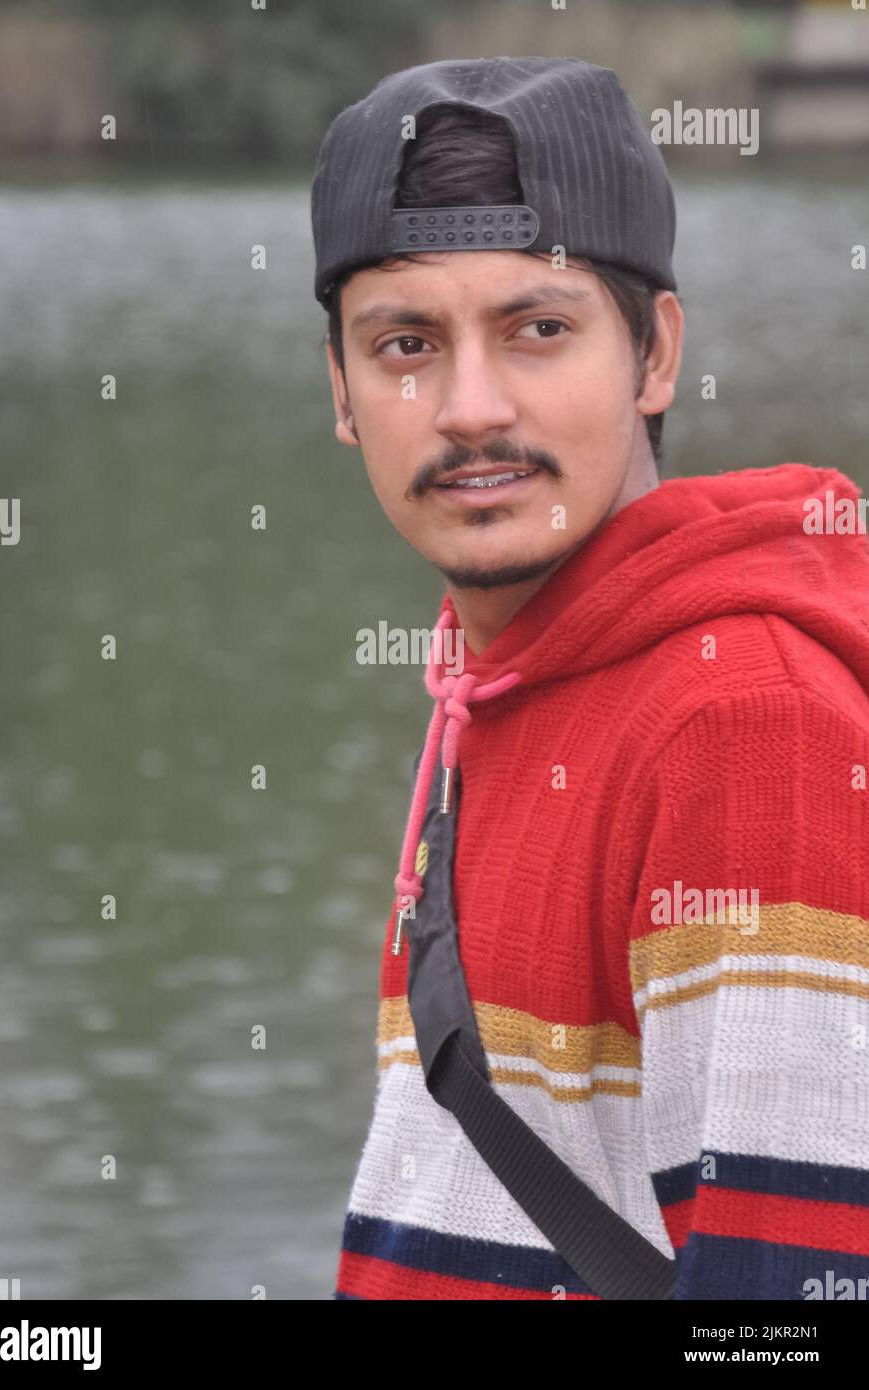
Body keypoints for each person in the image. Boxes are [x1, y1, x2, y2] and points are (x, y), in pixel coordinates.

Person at [310, 56, 869, 1300]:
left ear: (654, 353)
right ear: (341, 388)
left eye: (538, 329)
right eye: (404, 342)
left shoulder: (741, 723)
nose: (467, 406)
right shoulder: (498, 674)